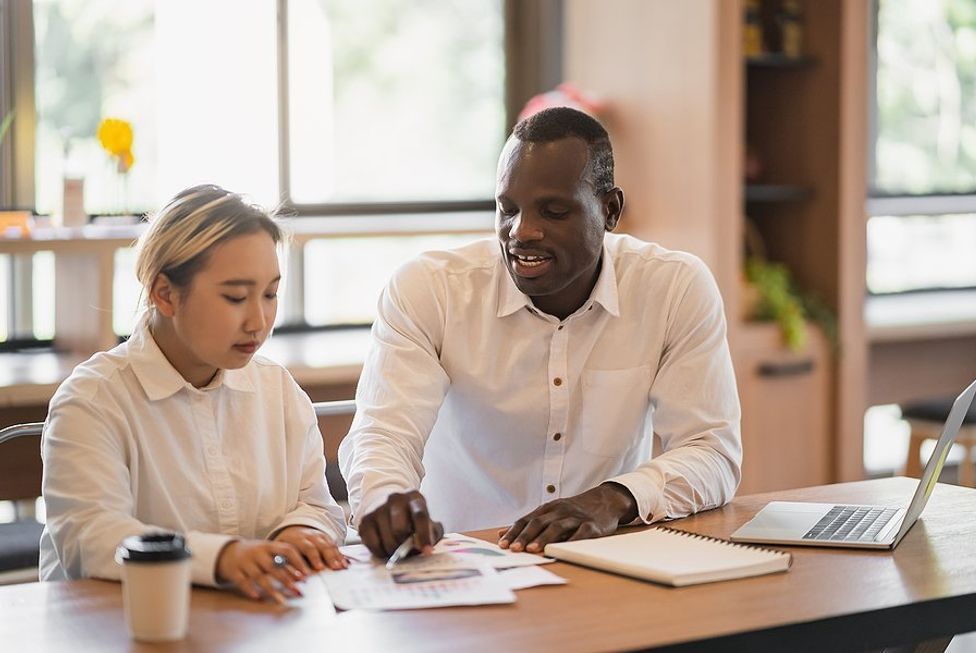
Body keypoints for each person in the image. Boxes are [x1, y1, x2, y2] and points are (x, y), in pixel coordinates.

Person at [340, 107, 742, 558]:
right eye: (507, 209)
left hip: (603, 562)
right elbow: (383, 433)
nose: (522, 232)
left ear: (610, 210)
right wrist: (385, 497)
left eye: (553, 211)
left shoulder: (673, 287)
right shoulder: (431, 289)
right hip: (457, 563)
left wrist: (612, 498)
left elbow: (711, 452)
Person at [39, 185, 348, 603]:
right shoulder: (94, 401)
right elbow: (91, 538)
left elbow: (317, 505)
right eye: (235, 297)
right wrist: (221, 558)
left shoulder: (277, 390)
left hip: (253, 623)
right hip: (120, 626)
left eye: (270, 294)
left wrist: (301, 532)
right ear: (165, 294)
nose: (258, 320)